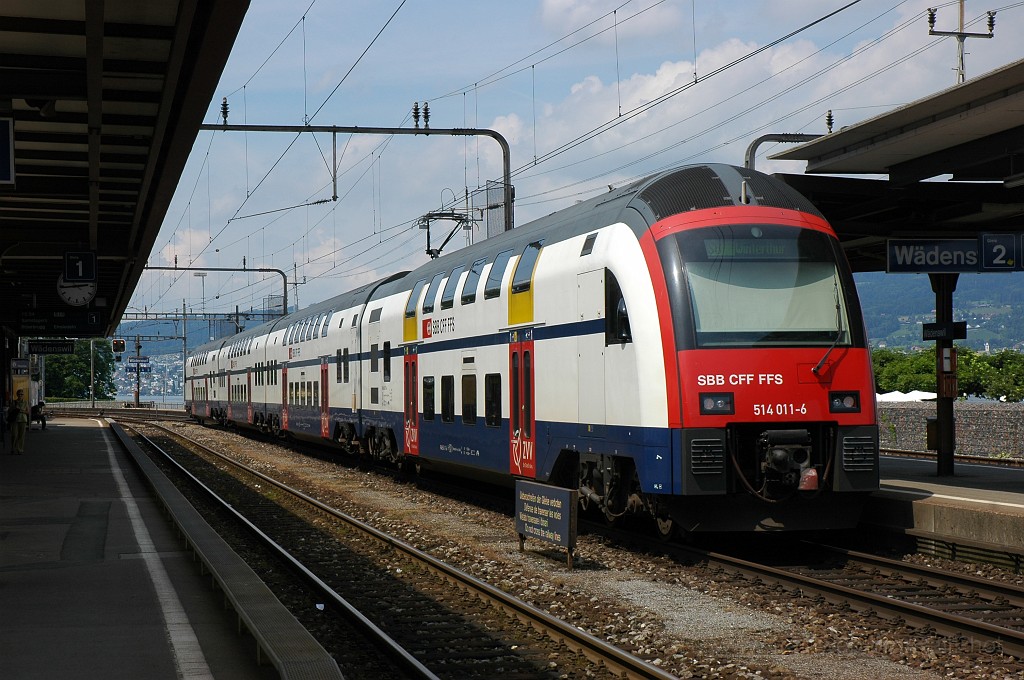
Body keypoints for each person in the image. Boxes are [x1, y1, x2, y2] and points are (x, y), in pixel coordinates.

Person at [11, 389, 29, 454]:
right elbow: (10, 410)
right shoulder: (14, 402)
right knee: (14, 435)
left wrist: (21, 410)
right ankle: (13, 448)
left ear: (23, 395)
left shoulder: (25, 402)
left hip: (23, 420)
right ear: (17, 395)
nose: (20, 395)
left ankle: (20, 449)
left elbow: (28, 412)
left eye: (21, 394)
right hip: (15, 420)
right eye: (19, 394)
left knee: (21, 436)